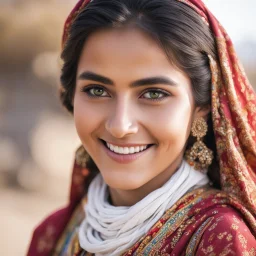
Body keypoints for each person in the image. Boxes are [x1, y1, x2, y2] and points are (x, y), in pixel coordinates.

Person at [27, 0, 256, 255]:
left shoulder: (220, 239)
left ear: (201, 105)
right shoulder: (54, 234)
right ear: (71, 95)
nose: (120, 126)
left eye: (154, 94)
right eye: (97, 90)